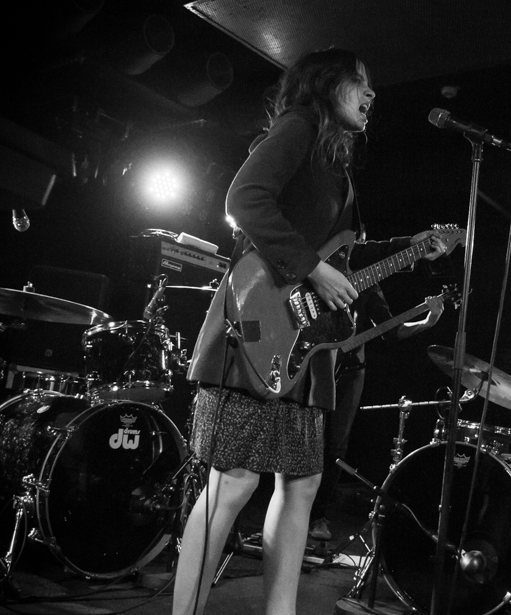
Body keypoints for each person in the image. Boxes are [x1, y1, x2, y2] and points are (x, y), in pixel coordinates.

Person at [171, 48, 448, 615]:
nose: (371, 94)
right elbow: (245, 197)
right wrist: (310, 269)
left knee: (299, 484)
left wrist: (412, 248)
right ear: (327, 84)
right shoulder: (298, 126)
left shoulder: (335, 164)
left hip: (305, 346)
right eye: (360, 82)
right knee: (234, 480)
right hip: (258, 328)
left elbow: (342, 256)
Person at [308, 283, 444, 540]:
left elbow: (391, 331)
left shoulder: (370, 281)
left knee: (335, 446)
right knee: (304, 438)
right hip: (314, 361)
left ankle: (318, 515)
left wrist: (428, 321)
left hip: (351, 370)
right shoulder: (324, 271)